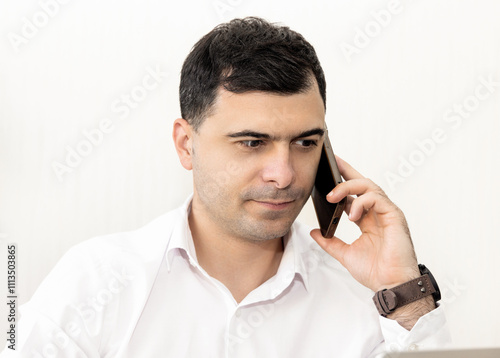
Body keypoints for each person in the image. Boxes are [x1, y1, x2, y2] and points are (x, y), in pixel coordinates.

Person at [2, 17, 450, 357]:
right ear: (186, 144)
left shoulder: (372, 302)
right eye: (252, 142)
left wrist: (404, 291)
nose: (284, 173)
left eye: (305, 142)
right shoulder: (97, 281)